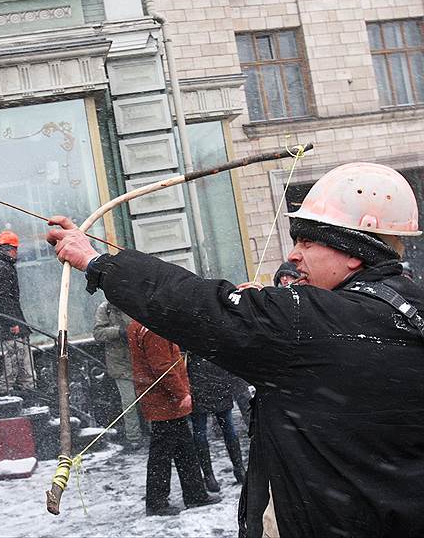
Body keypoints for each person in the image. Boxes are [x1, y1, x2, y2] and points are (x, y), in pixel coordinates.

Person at [47, 161, 424, 538]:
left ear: (354, 253)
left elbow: (198, 306)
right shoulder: (408, 309)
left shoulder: (312, 319)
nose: (294, 255)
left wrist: (97, 262)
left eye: (308, 242)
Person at [127, 319, 221, 516]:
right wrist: (182, 393)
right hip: (165, 401)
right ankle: (157, 501)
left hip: (162, 400)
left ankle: (194, 494)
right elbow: (163, 368)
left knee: (184, 448)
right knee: (162, 454)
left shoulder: (139, 324)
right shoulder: (153, 328)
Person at [0, 230, 33, 394]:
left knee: (19, 361)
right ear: (11, 249)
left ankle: (23, 391)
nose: (17, 253)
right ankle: (9, 393)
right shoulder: (3, 269)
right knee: (15, 362)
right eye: (16, 249)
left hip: (6, 321)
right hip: (9, 323)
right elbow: (3, 299)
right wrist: (13, 322)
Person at [187, 353, 245, 492]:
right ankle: (216, 474)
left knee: (219, 430)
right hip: (206, 381)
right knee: (213, 431)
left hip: (212, 382)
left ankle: (224, 473)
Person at [93, 301, 143, 451]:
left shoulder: (134, 302)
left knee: (148, 398)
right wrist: (119, 332)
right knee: (129, 403)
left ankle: (154, 432)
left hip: (140, 359)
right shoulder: (106, 308)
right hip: (120, 363)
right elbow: (98, 333)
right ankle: (134, 437)